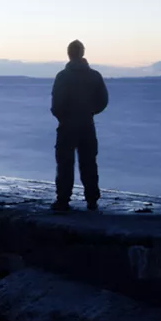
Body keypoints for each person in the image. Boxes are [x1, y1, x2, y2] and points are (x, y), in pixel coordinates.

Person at [50, 40, 108, 211]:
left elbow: (57, 102)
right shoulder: (94, 76)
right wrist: (90, 112)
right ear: (82, 53)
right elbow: (103, 101)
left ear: (69, 54)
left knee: (65, 163)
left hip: (67, 125)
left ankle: (63, 200)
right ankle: (92, 200)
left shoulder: (63, 76)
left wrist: (62, 116)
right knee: (89, 162)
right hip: (87, 124)